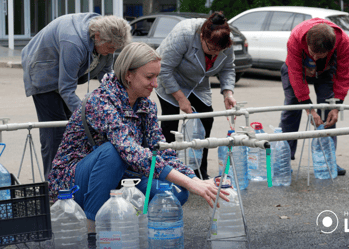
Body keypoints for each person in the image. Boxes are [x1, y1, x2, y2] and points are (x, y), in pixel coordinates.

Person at [48, 42, 229, 236]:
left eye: (157, 76)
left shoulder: (146, 105)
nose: (156, 84)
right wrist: (191, 182)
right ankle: (93, 230)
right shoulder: (100, 101)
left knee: (174, 191)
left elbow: (162, 152)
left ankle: (134, 227)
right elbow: (129, 150)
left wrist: (194, 180)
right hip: (72, 184)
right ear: (128, 75)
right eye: (149, 77)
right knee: (113, 152)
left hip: (118, 175)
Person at [21, 13, 131, 180]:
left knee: (73, 129)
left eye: (115, 49)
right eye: (110, 48)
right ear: (98, 37)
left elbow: (106, 74)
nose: (112, 52)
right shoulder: (73, 42)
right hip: (42, 71)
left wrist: (119, 101)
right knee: (55, 132)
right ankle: (53, 185)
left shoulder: (107, 36)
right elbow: (66, 88)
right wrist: (88, 114)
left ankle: (71, 177)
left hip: (63, 73)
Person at [156, 11, 237, 180]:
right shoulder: (184, 33)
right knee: (170, 125)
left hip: (198, 84)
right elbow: (164, 68)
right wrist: (180, 98)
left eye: (219, 51)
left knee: (206, 120)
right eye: (211, 49)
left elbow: (228, 68)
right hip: (171, 79)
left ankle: (199, 170)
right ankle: (168, 173)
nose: (215, 54)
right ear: (202, 36)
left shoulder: (226, 43)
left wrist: (227, 93)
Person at [278, 18, 349, 176]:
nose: (315, 58)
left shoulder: (344, 42)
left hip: (326, 71)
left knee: (328, 110)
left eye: (321, 55)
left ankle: (328, 160)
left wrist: (337, 105)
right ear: (307, 43)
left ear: (331, 48)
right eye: (313, 54)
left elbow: (344, 74)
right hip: (296, 69)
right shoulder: (296, 37)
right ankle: (284, 160)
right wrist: (308, 109)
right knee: (293, 107)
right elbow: (296, 75)